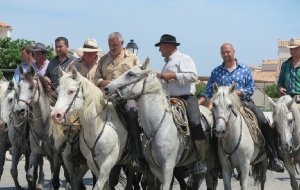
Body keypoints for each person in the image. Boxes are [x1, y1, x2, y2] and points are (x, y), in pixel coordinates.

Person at [198, 43, 284, 173]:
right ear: (221, 54)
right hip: (222, 107)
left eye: (228, 52)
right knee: (211, 129)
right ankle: (216, 164)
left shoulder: (244, 69)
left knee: (263, 120)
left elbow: (250, 89)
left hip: (244, 102)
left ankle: (273, 157)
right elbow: (209, 90)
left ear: (233, 52)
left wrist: (232, 93)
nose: (226, 54)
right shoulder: (216, 71)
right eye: (223, 52)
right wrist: (199, 102)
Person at [155, 34, 207, 175]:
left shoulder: (183, 58)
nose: (159, 49)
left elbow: (193, 76)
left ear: (168, 46)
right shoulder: (167, 63)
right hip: (167, 99)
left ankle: (200, 160)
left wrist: (173, 76)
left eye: (160, 46)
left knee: (195, 122)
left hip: (186, 98)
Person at [94, 32, 145, 172]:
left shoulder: (133, 58)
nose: (112, 47)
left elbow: (140, 76)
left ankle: (137, 152)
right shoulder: (103, 59)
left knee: (132, 113)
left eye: (115, 45)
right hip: (106, 98)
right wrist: (106, 82)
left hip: (126, 98)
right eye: (110, 45)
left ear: (122, 44)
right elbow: (96, 79)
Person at [65, 38, 102, 166]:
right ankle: (75, 152)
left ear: (96, 53)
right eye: (85, 51)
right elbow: (66, 80)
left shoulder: (102, 64)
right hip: (79, 103)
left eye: (91, 52)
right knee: (71, 126)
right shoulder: (74, 64)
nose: (87, 54)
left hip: (98, 102)